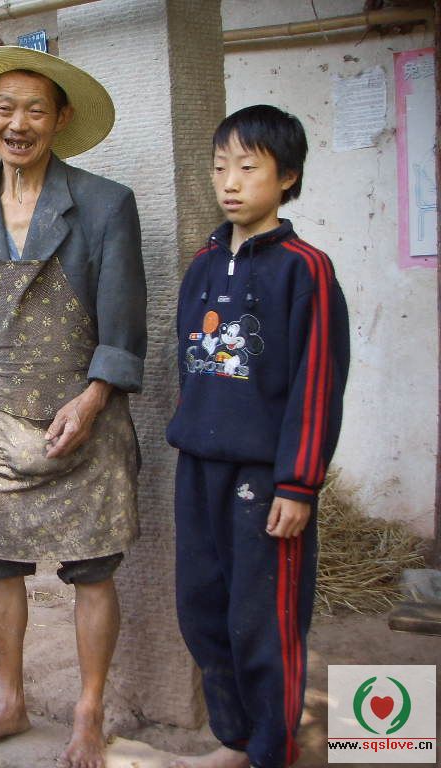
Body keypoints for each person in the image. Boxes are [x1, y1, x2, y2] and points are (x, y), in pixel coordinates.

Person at [0, 46, 146, 768]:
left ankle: (88, 712)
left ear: (61, 119)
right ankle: (10, 699)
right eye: (6, 109)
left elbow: (123, 329)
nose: (18, 124)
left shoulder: (105, 205)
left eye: (35, 110)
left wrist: (93, 398)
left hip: (83, 421)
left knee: (93, 572)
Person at [166, 105, 349, 768]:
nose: (230, 182)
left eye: (248, 167)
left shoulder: (306, 269)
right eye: (221, 168)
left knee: (263, 621)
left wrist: (298, 484)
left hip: (267, 477)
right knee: (204, 611)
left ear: (287, 176)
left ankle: (274, 749)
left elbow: (318, 382)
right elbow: (188, 359)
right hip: (199, 466)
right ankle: (238, 741)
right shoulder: (203, 263)